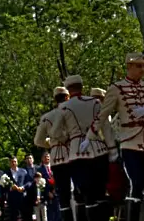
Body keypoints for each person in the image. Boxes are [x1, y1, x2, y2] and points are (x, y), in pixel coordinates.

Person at [100, 52, 144, 221]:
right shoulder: (116, 88)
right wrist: (92, 135)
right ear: (129, 67)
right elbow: (103, 115)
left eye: (143, 66)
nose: (142, 69)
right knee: (136, 183)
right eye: (138, 66)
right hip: (130, 142)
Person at [51, 75, 109, 221]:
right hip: (99, 148)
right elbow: (106, 128)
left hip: (77, 152)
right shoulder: (95, 101)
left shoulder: (64, 107)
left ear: (69, 90)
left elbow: (55, 133)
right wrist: (113, 149)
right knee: (100, 192)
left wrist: (67, 138)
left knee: (85, 194)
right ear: (81, 86)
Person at [33, 87, 71, 221]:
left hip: (57, 157)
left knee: (63, 195)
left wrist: (52, 143)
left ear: (55, 99)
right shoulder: (74, 111)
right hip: (75, 154)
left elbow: (38, 140)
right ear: (68, 97)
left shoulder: (47, 117)